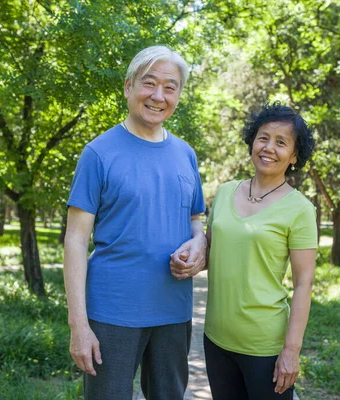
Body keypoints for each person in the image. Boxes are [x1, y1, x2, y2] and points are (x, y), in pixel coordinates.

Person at [63, 45, 207, 400]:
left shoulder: (185, 154)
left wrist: (200, 245)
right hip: (112, 312)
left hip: (173, 311)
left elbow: (196, 221)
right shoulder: (98, 152)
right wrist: (78, 325)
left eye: (170, 87)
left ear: (178, 95)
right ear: (128, 86)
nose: (158, 95)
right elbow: (76, 241)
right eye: (149, 83)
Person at [204, 102, 317, 399]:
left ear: (294, 156)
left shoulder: (300, 209)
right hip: (215, 339)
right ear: (252, 141)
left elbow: (304, 283)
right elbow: (209, 248)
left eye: (281, 143)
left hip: (265, 346)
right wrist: (188, 255)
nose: (269, 148)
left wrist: (291, 350)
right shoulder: (226, 191)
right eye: (263, 137)